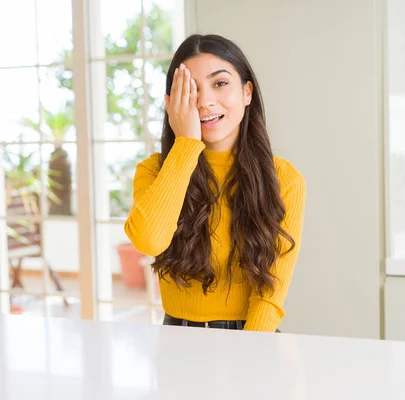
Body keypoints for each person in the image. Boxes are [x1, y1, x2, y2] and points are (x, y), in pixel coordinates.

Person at [124, 34, 306, 332]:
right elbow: (149, 241)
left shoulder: (284, 178)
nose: (205, 101)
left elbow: (270, 295)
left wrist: (249, 355)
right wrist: (185, 145)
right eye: (190, 89)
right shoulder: (155, 171)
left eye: (219, 83)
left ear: (247, 92)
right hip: (177, 340)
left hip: (253, 338)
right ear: (171, 104)